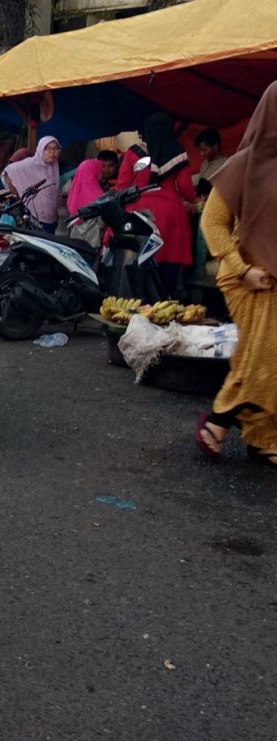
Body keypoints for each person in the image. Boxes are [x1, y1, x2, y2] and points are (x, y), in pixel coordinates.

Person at [195, 82, 277, 466]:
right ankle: (218, 420)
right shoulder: (242, 164)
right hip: (245, 276)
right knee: (262, 355)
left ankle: (262, 438)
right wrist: (242, 269)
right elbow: (212, 224)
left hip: (273, 277)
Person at [116, 114, 195, 297]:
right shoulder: (178, 152)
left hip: (140, 210)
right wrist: (193, 199)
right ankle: (164, 301)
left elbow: (122, 186)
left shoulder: (134, 152)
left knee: (136, 257)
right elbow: (185, 188)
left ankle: (135, 301)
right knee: (169, 257)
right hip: (170, 212)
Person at [1, 136, 62, 232]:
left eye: (56, 148)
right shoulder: (31, 164)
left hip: (51, 214)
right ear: (41, 149)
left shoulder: (54, 166)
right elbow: (8, 171)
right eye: (48, 148)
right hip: (34, 215)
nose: (53, 152)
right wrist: (16, 193)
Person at [66, 158, 109, 249]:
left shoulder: (74, 190)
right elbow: (102, 222)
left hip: (75, 234)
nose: (102, 173)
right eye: (99, 170)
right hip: (92, 238)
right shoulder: (98, 194)